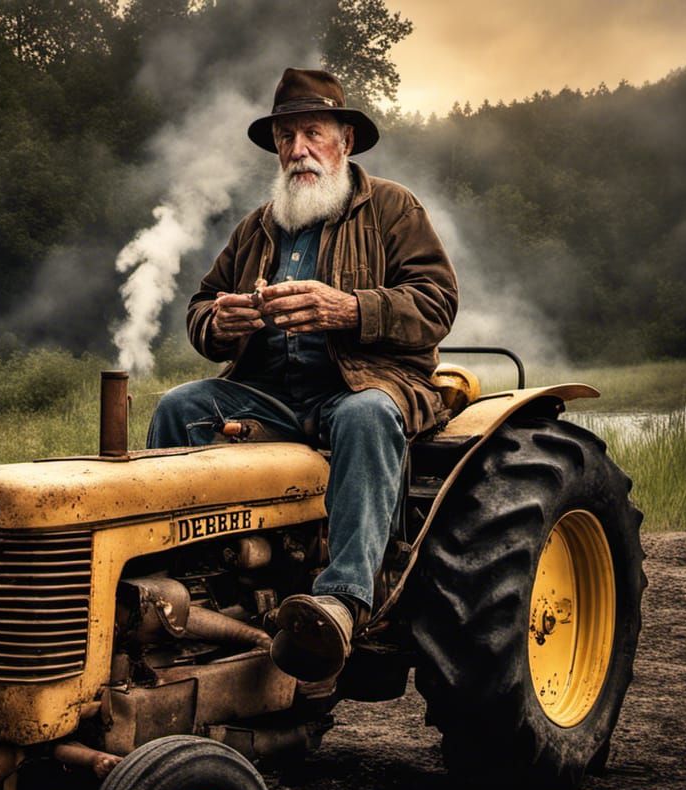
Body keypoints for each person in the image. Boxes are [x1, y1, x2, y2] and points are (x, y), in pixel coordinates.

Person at [147, 67, 458, 682]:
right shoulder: (258, 226)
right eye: (286, 137)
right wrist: (220, 321)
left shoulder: (392, 208)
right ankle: (182, 583)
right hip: (271, 398)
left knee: (367, 413)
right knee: (179, 406)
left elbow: (437, 303)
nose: (298, 149)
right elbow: (200, 309)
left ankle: (342, 601)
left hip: (366, 385)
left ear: (345, 139)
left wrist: (350, 309)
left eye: (312, 133)